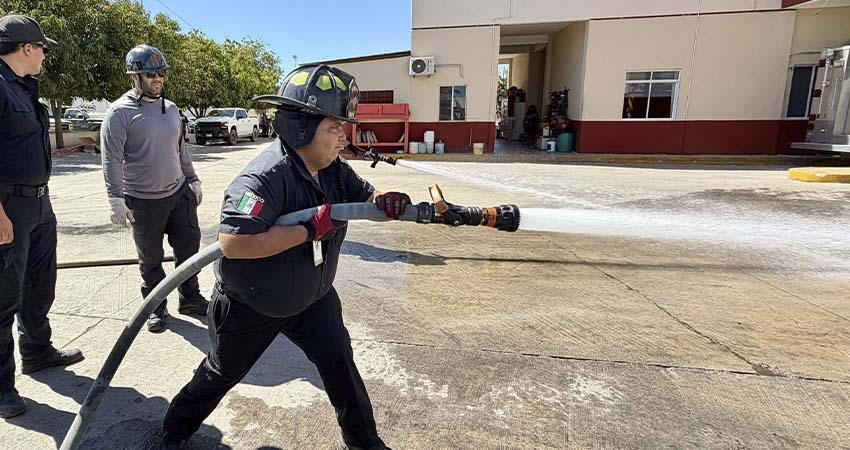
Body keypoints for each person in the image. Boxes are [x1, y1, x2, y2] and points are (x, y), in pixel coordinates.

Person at [162, 65, 410, 450]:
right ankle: (174, 430)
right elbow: (234, 242)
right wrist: (310, 228)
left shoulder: (334, 170)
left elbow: (366, 197)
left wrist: (384, 202)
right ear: (302, 129)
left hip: (314, 297)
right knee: (222, 372)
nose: (343, 138)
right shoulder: (263, 178)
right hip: (253, 303)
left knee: (341, 367)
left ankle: (365, 444)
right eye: (335, 128)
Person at [0, 14, 83, 419]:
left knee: (40, 285)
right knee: (4, 299)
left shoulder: (24, 87)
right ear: (27, 48)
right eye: (43, 48)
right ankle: (2, 389)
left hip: (38, 204)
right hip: (8, 208)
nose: (46, 55)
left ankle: (36, 351)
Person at [100, 45, 208, 333]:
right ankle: (155, 308)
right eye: (151, 74)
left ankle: (190, 299)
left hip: (179, 194)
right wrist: (115, 198)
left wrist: (192, 179)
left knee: (189, 250)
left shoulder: (170, 109)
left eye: (161, 73)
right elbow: (111, 159)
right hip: (143, 201)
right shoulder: (119, 113)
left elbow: (180, 149)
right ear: (134, 77)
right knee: (151, 260)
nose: (158, 79)